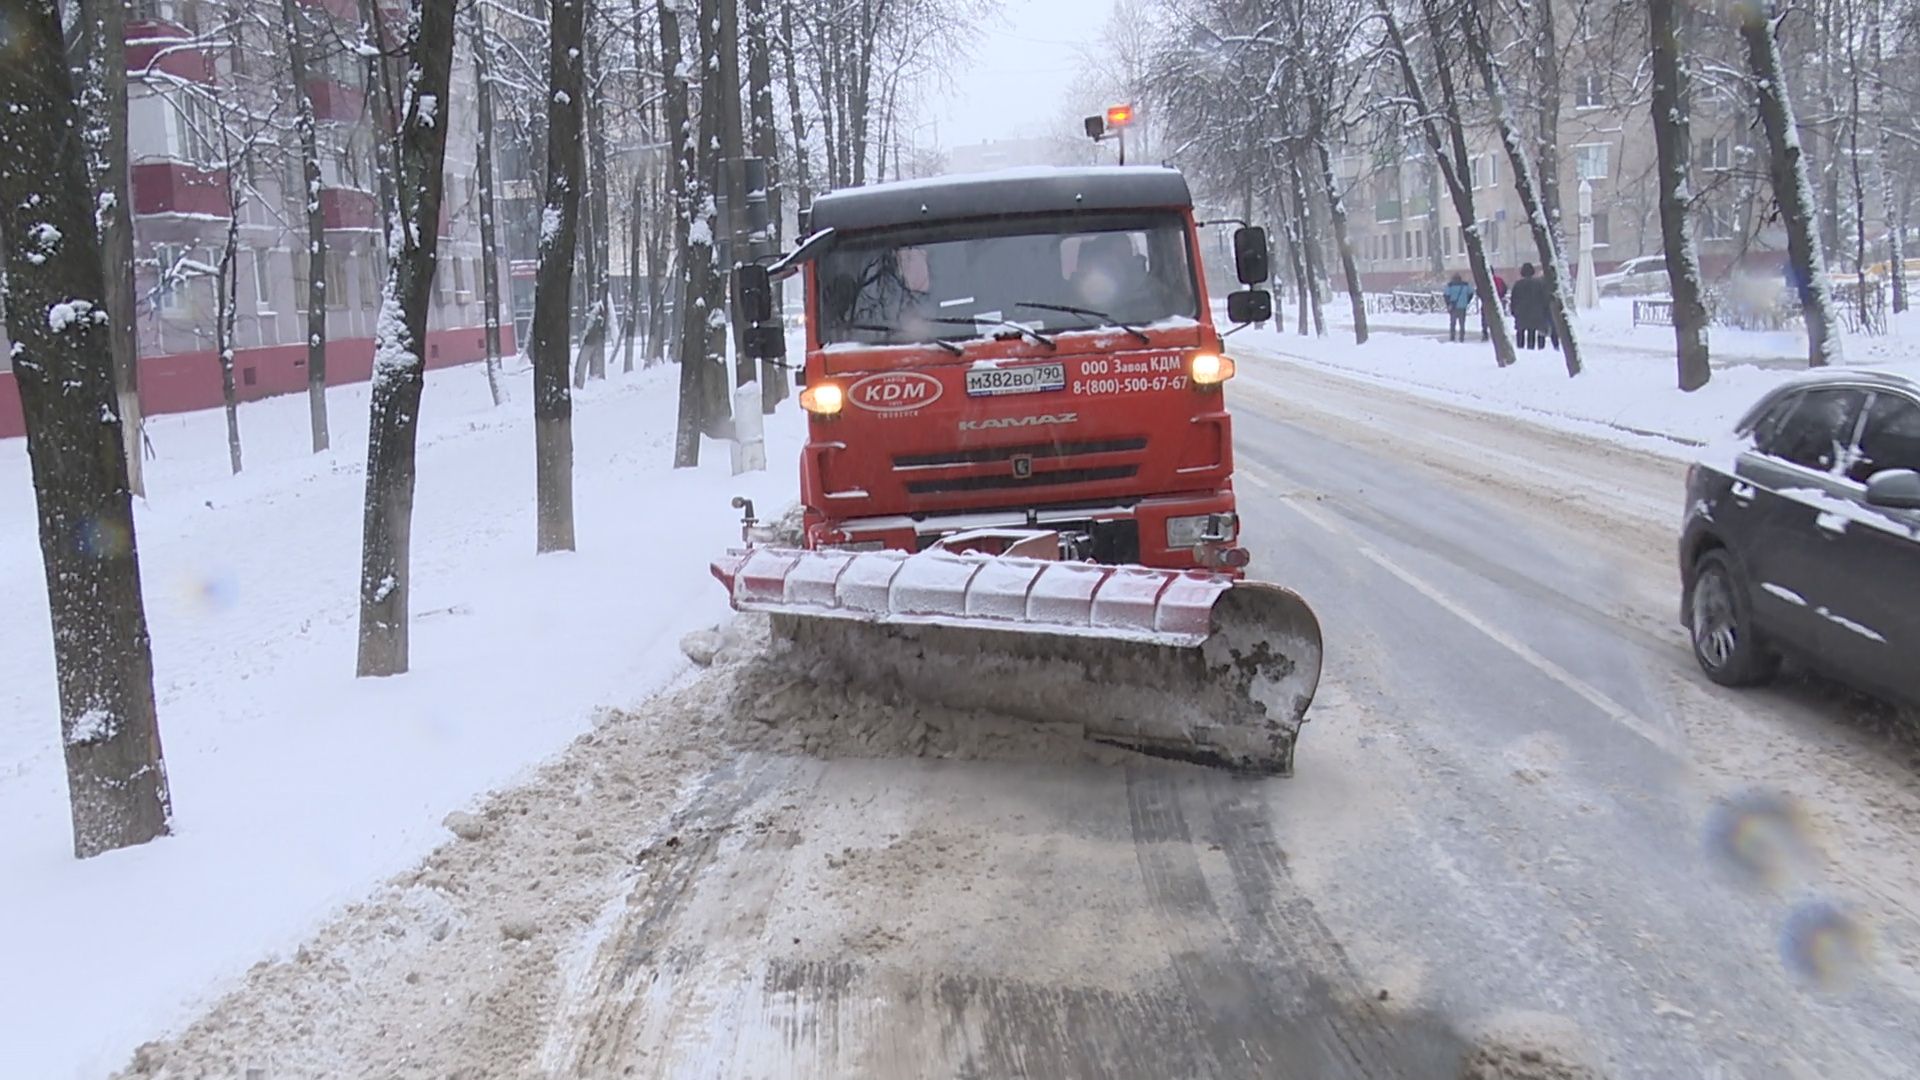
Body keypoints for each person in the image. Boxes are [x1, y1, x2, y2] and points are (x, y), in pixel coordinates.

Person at [1509, 262, 1551, 349]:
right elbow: (1544, 298)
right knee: (1532, 331)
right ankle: (1531, 348)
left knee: (1520, 331)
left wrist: (1513, 311)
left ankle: (1520, 348)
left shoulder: (1518, 284)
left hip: (1521, 313)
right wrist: (1545, 311)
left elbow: (1513, 299)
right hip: (1536, 313)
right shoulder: (1539, 284)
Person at [1443, 272, 1474, 343]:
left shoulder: (1450, 285)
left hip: (1453, 307)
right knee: (1462, 323)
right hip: (1462, 306)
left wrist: (1448, 304)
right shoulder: (1466, 285)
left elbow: (1446, 295)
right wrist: (1467, 301)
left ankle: (1452, 337)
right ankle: (1461, 337)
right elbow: (1471, 293)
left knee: (1453, 323)